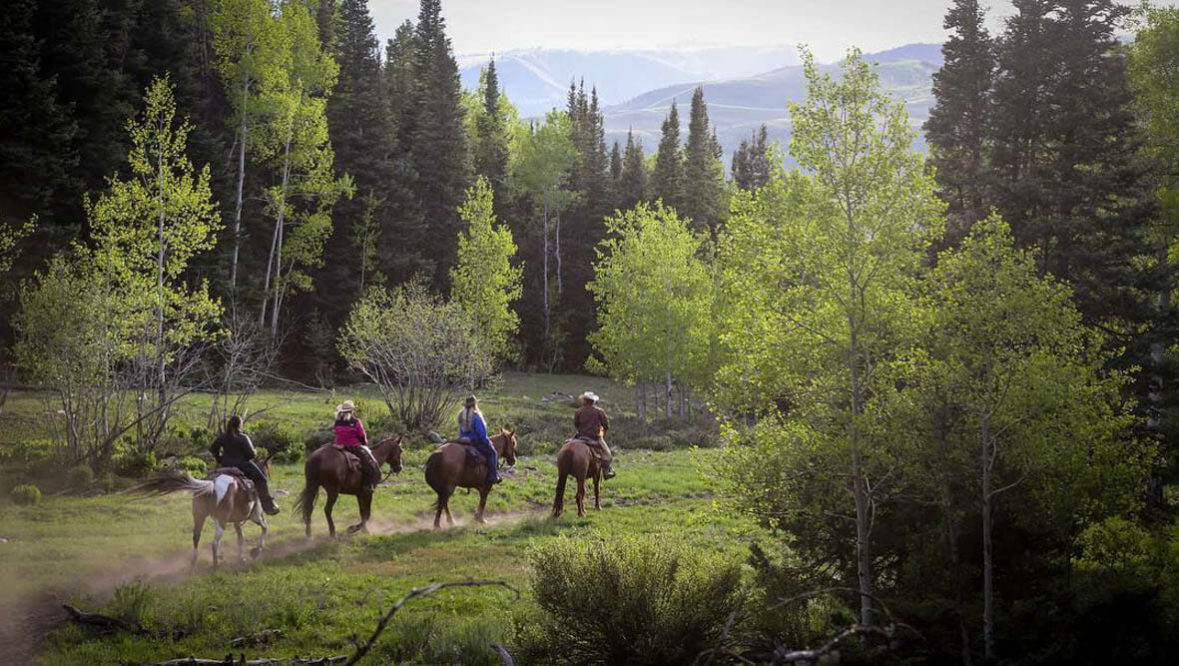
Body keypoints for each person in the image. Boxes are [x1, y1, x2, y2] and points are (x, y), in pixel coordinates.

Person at [210, 416, 280, 515]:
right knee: (262, 479)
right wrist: (254, 452)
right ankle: (268, 507)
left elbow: (213, 449)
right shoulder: (243, 437)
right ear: (239, 425)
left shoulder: (223, 437)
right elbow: (251, 455)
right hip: (243, 465)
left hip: (225, 465)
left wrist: (220, 459)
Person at [333, 400, 380, 493]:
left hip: (338, 446)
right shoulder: (356, 422)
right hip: (353, 447)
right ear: (352, 411)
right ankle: (368, 485)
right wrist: (364, 443)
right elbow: (362, 435)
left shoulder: (337, 422)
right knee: (368, 464)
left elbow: (335, 432)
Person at [457, 395, 501, 484]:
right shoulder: (476, 417)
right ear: (475, 405)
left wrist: (463, 438)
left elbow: (461, 432)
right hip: (475, 442)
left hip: (462, 441)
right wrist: (488, 443)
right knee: (493, 453)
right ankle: (493, 476)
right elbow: (482, 435)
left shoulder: (461, 416)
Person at [574, 391, 615, 479]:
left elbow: (576, 425)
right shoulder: (599, 411)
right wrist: (602, 435)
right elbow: (606, 426)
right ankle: (606, 472)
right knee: (608, 455)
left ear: (585, 400)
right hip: (595, 438)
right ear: (593, 401)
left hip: (580, 437)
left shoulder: (578, 411)